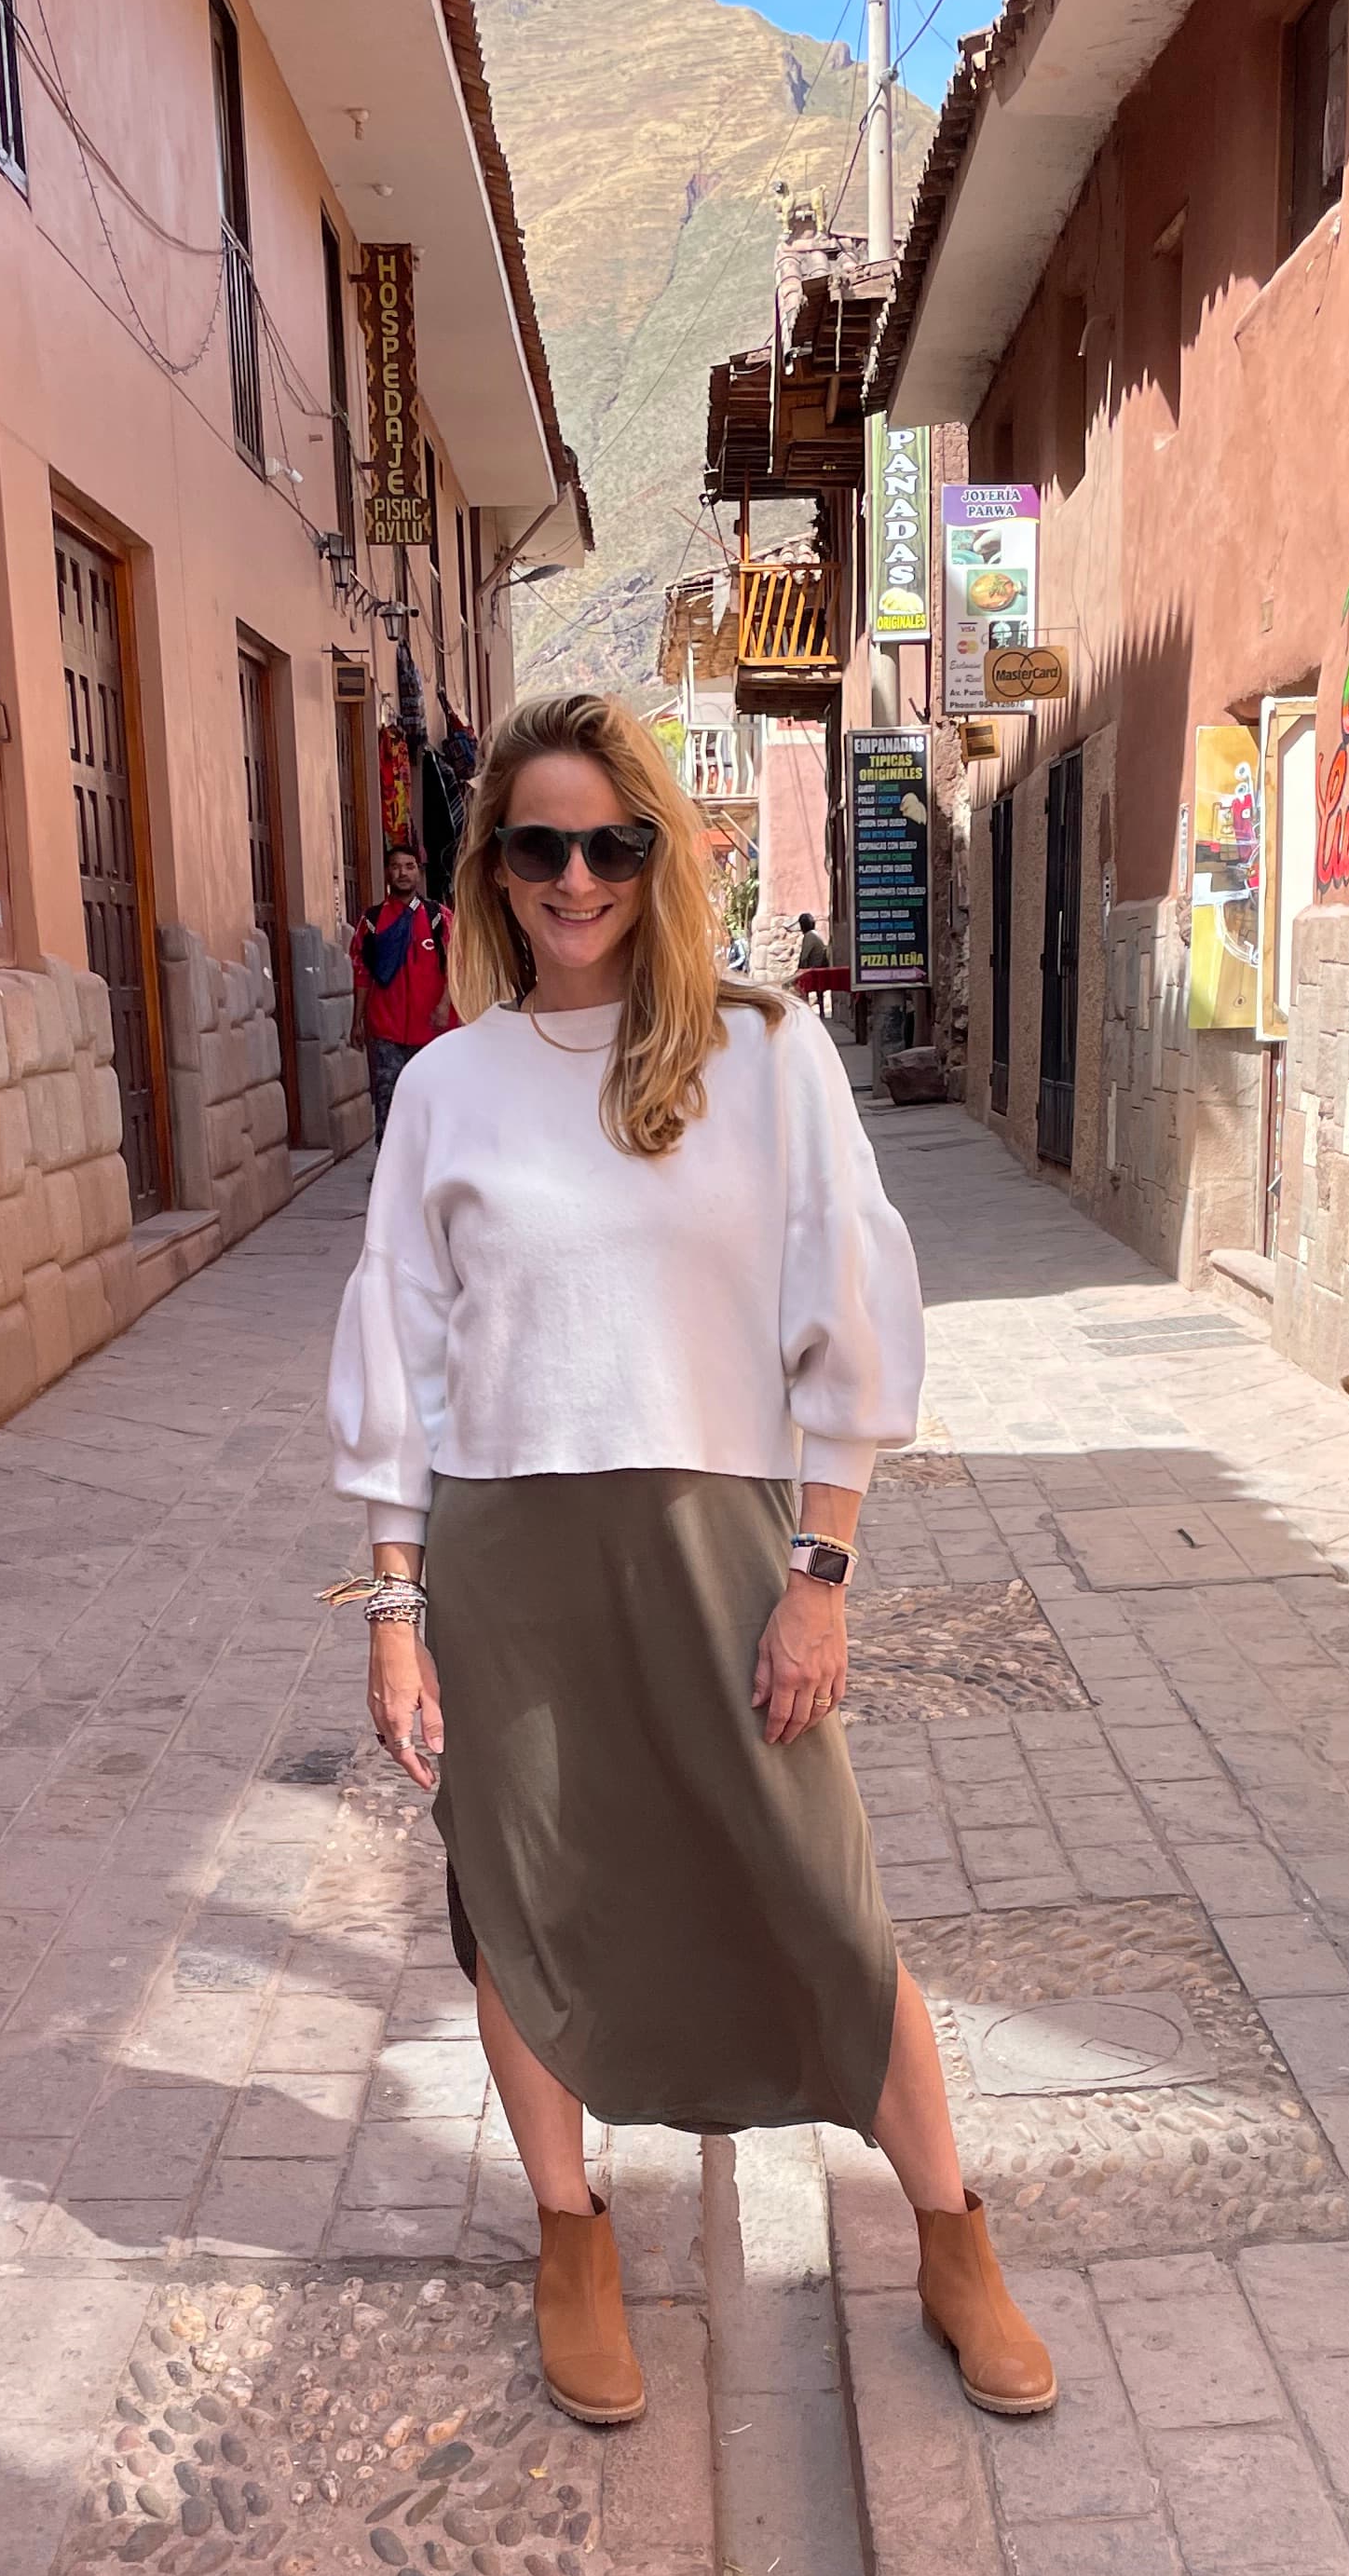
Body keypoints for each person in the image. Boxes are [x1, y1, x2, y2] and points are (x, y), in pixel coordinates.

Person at [325, 688, 1055, 2433]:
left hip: (722, 1532)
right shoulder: (448, 1088)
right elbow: (401, 1355)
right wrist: (392, 1613)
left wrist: (822, 1568)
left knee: (818, 1890)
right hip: (510, 1550)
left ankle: (949, 2237)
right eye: (536, 846)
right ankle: (568, 2239)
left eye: (609, 842)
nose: (573, 877)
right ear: (490, 870)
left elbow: (847, 1311)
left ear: (659, 853)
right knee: (517, 1894)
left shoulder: (761, 1055)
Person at [353, 844, 454, 1145]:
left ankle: (434, 1161)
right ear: (387, 873)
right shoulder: (371, 921)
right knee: (388, 1097)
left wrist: (444, 1005)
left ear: (419, 873)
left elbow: (458, 965)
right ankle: (388, 1163)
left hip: (433, 1029)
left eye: (409, 867)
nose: (403, 873)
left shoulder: (439, 917)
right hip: (386, 1027)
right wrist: (356, 1020)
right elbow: (362, 973)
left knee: (432, 1097)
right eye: (396, 867)